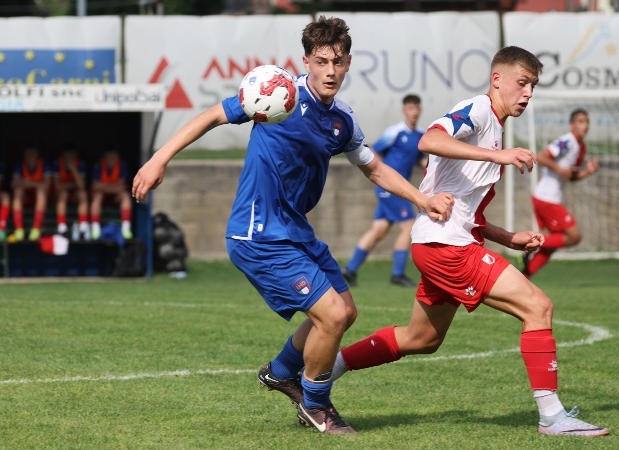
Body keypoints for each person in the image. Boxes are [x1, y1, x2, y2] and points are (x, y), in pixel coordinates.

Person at [131, 16, 453, 435]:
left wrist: (422, 199)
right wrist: (159, 160)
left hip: (296, 230)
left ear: (349, 62)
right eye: (322, 61)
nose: (330, 70)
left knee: (346, 312)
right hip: (258, 232)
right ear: (306, 61)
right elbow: (212, 116)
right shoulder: (277, 94)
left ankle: (283, 372)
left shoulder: (343, 119)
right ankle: (316, 406)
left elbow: (373, 169)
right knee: (332, 316)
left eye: (338, 61)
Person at [327, 46, 609, 437]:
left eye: (533, 86)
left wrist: (509, 237)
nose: (527, 93)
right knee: (538, 307)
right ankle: (552, 417)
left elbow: (470, 215)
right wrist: (499, 156)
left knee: (421, 339)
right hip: (447, 249)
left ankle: (323, 373)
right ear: (497, 80)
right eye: (522, 83)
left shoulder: (495, 127)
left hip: (440, 243)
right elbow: (429, 139)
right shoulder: (479, 110)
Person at [341, 94, 428, 287]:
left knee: (379, 230)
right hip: (391, 187)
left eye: (416, 108)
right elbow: (373, 152)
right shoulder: (395, 132)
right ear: (404, 110)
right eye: (410, 108)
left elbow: (421, 160)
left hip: (397, 188)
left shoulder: (420, 135)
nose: (413, 112)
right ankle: (397, 274)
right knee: (409, 226)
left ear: (420, 110)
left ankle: (350, 269)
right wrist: (382, 176)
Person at [522, 108, 599, 277]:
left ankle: (524, 277)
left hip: (547, 198)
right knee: (574, 236)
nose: (585, 125)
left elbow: (570, 177)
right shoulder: (567, 141)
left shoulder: (581, 147)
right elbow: (541, 157)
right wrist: (559, 169)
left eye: (587, 122)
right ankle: (530, 245)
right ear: (572, 125)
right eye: (580, 121)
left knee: (552, 245)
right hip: (547, 198)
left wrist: (587, 171)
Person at [11, 146, 51, 241]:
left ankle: (36, 229)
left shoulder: (44, 164)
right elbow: (13, 183)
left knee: (41, 192)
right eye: (28, 155)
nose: (30, 157)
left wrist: (27, 182)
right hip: (26, 198)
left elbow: (47, 185)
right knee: (18, 191)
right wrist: (36, 184)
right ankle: (19, 229)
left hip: (41, 199)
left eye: (33, 154)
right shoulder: (20, 165)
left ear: (37, 155)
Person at [90, 149, 132, 240]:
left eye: (114, 158)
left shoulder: (122, 165)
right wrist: (113, 187)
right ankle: (95, 228)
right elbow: (95, 186)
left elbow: (122, 186)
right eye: (109, 158)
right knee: (97, 196)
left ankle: (126, 228)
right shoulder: (99, 165)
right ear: (105, 158)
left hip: (115, 197)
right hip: (102, 196)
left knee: (125, 196)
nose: (111, 160)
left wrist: (103, 186)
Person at [53, 144, 90, 239]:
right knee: (63, 193)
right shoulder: (58, 163)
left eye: (71, 156)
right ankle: (61, 226)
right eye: (66, 156)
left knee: (82, 194)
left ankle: (83, 224)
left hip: (74, 195)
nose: (69, 158)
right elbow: (57, 186)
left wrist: (73, 168)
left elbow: (81, 185)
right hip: (60, 195)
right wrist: (72, 185)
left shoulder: (79, 164)